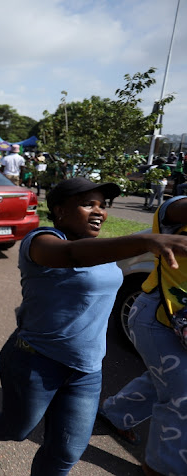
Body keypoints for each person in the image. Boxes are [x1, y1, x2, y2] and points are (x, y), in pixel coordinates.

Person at [0, 177, 187, 476]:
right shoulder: (41, 241)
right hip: (35, 360)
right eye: (87, 204)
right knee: (16, 429)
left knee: (65, 454)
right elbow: (70, 255)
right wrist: (147, 241)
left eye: (103, 206)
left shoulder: (103, 249)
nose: (99, 212)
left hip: (87, 370)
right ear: (59, 210)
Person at [97, 195, 187, 476]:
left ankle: (115, 413)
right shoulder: (176, 208)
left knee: (164, 376)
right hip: (158, 317)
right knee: (181, 397)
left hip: (178, 326)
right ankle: (161, 469)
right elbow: (171, 209)